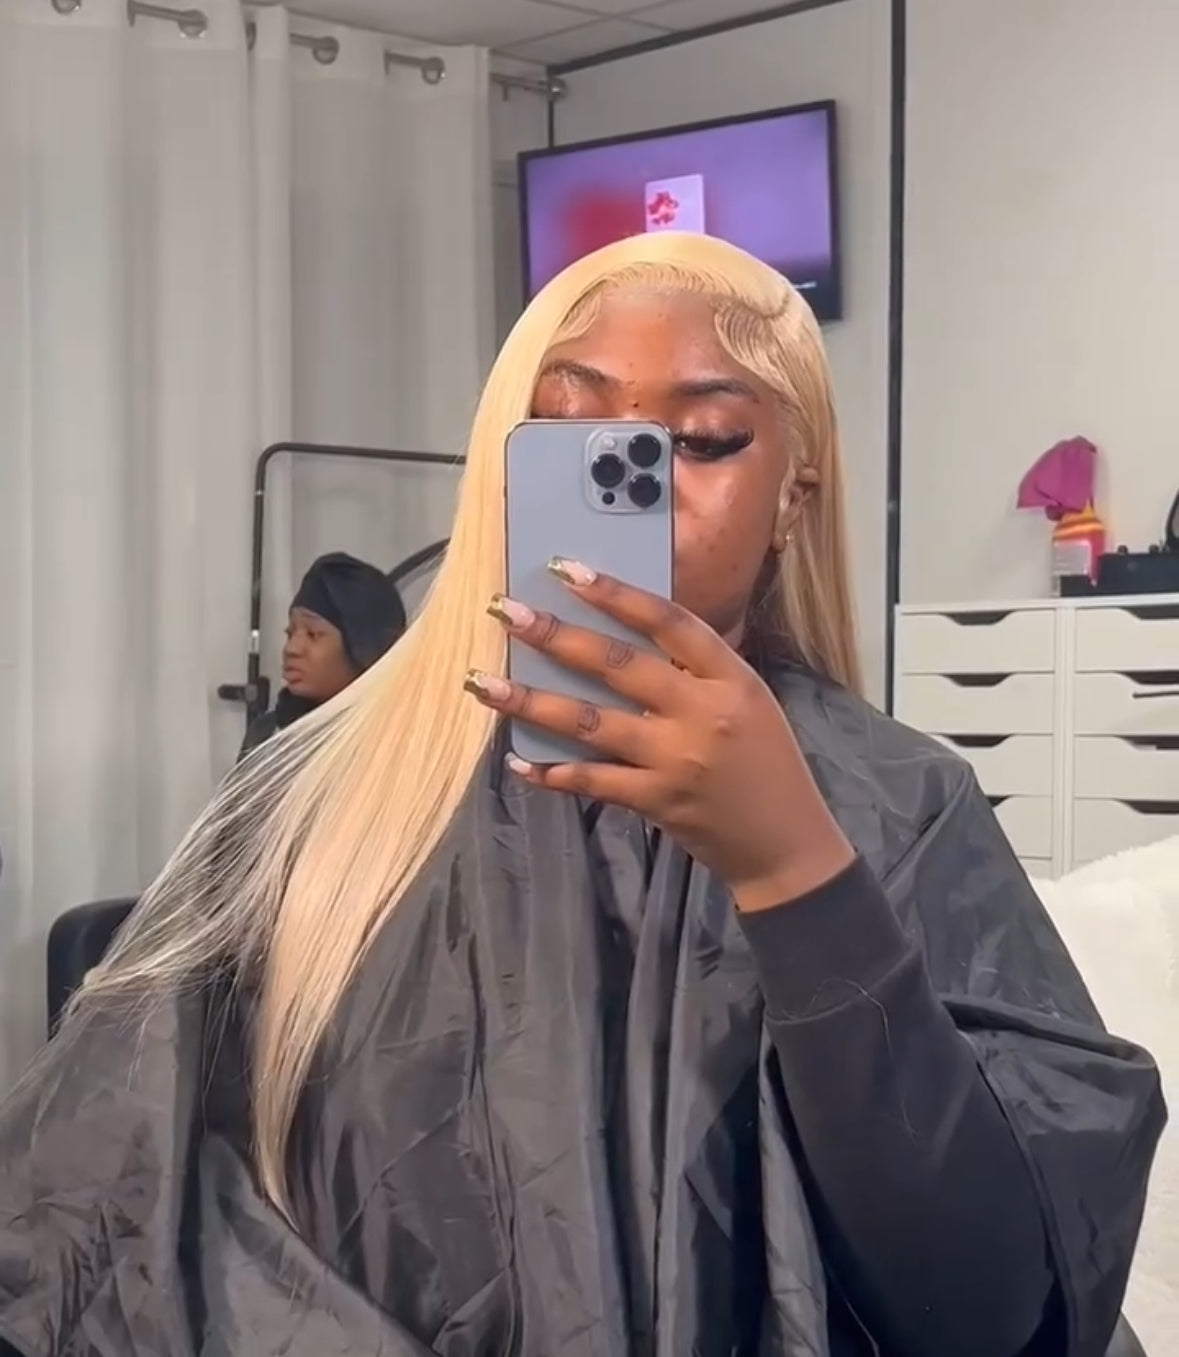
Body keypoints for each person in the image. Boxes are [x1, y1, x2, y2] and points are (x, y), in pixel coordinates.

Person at [0, 234, 1164, 1357]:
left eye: (701, 440)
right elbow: (100, 1215)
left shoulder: (905, 807)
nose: (635, 488)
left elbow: (991, 1307)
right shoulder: (311, 795)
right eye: (570, 434)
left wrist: (798, 875)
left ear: (792, 499)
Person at [239, 550, 407, 760]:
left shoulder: (401, 742)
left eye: (313, 634)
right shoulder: (265, 735)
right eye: (290, 633)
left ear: (366, 647)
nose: (291, 648)